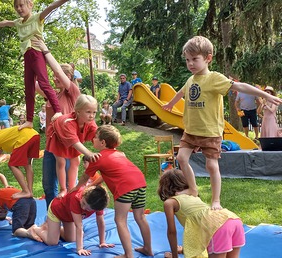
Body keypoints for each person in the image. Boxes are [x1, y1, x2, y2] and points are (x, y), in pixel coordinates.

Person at [162, 36, 282, 210]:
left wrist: (265, 95)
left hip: (210, 131)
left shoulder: (214, 78)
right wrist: (170, 104)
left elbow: (240, 87)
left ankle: (216, 200)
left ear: (208, 58)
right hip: (191, 130)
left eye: (195, 59)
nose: (190, 64)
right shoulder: (191, 80)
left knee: (211, 165)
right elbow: (181, 92)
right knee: (181, 158)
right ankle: (193, 189)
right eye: (187, 60)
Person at [74, 125, 153, 258]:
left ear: (103, 142)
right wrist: (91, 185)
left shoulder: (97, 157)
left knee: (120, 220)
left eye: (95, 138)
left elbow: (84, 177)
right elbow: (105, 175)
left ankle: (128, 254)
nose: (93, 139)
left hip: (125, 187)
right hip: (140, 182)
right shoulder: (120, 154)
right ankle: (148, 248)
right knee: (140, 217)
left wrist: (77, 188)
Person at [0, 0, 69, 130]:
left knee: (44, 83)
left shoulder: (37, 18)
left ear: (30, 5)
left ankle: (58, 111)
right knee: (28, 88)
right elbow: (6, 22)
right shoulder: (18, 22)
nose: (19, 9)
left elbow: (51, 6)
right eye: (16, 7)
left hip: (37, 53)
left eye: (21, 5)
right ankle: (29, 120)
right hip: (27, 56)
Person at [32, 38, 81, 208]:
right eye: (53, 76)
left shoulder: (73, 92)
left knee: (67, 186)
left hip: (67, 144)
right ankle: (53, 219)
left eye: (58, 75)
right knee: (48, 185)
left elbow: (58, 72)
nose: (54, 78)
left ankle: (70, 217)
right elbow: (34, 81)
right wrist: (33, 57)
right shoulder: (52, 95)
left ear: (68, 76)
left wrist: (45, 51)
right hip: (51, 145)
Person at [158, 169, 245, 258]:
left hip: (217, 226)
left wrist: (175, 256)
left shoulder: (170, 203)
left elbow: (172, 232)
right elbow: (196, 229)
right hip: (232, 219)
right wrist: (184, 249)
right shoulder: (193, 194)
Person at [29, 185, 114, 256]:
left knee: (72, 239)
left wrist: (102, 242)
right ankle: (35, 229)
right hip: (57, 211)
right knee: (52, 242)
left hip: (69, 217)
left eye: (88, 208)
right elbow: (79, 226)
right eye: (83, 203)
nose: (83, 208)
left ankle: (53, 229)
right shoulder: (76, 198)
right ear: (84, 195)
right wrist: (80, 248)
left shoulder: (97, 202)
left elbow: (100, 221)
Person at [46, 94, 100, 198]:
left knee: (76, 161)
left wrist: (109, 148)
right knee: (61, 161)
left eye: (94, 112)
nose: (92, 116)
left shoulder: (90, 122)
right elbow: (74, 142)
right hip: (58, 137)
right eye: (88, 112)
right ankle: (63, 189)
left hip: (73, 136)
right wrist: (89, 153)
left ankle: (72, 188)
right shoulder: (68, 122)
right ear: (78, 111)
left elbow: (97, 136)